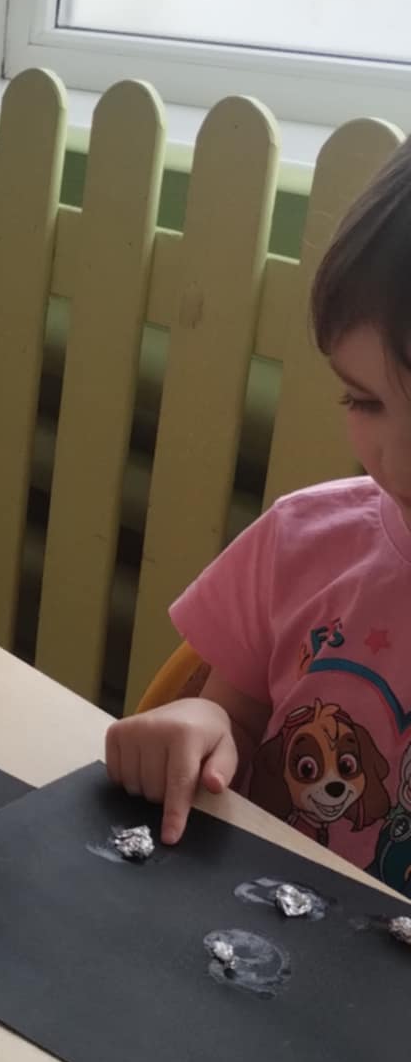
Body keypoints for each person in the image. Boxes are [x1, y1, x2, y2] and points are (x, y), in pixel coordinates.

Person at [106, 139, 411, 872]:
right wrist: (199, 726)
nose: (395, 463)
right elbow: (234, 717)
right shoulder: (302, 543)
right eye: (363, 401)